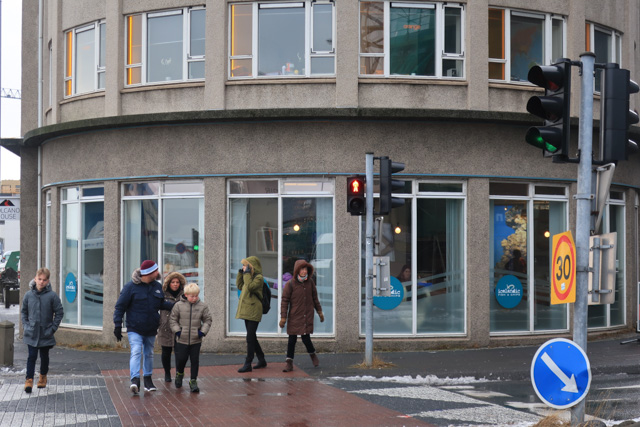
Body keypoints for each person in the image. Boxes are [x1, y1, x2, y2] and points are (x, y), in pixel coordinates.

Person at [113, 260, 174, 394]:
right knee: (136, 351)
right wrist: (117, 325)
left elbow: (161, 304)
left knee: (149, 354)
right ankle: (135, 380)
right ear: (149, 272)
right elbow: (120, 307)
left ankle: (148, 380)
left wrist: (175, 305)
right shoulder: (130, 287)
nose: (158, 272)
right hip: (135, 327)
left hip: (151, 327)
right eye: (155, 270)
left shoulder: (157, 286)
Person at [20, 268, 64, 393]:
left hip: (46, 333)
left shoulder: (52, 296)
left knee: (44, 357)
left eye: (44, 280)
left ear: (48, 281)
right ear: (35, 279)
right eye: (39, 279)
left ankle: (43, 376)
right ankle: (29, 380)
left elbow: (59, 312)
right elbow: (24, 312)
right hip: (31, 332)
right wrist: (26, 325)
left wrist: (53, 328)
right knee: (32, 356)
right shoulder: (28, 295)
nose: (41, 282)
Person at [279, 260, 324, 372]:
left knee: (306, 339)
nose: (304, 271)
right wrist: (283, 317)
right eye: (302, 269)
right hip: (294, 316)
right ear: (297, 270)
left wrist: (319, 312)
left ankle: (313, 355)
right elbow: (284, 301)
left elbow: (315, 298)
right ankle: (289, 363)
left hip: (306, 316)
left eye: (306, 269)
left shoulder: (310, 283)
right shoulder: (290, 284)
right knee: (292, 340)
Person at [169, 283, 212, 392]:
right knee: (181, 359)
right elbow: (173, 320)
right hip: (182, 339)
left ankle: (193, 381)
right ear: (186, 295)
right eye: (192, 296)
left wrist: (202, 332)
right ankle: (179, 373)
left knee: (194, 361)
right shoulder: (178, 305)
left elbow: (207, 320)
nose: (194, 298)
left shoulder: (202, 306)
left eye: (196, 296)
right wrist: (178, 331)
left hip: (196, 339)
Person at [235, 256, 266, 373]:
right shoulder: (248, 276)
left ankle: (248, 363)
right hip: (247, 309)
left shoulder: (259, 278)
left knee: (250, 337)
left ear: (251, 266)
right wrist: (241, 274)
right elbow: (240, 286)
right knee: (252, 336)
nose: (244, 267)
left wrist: (247, 274)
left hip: (254, 310)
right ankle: (262, 359)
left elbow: (250, 287)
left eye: (245, 265)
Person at [157, 271, 186, 383]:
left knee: (180, 353)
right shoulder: (162, 294)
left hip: (179, 327)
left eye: (177, 282)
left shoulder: (184, 295)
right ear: (168, 283)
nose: (175, 284)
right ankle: (167, 373)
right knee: (166, 352)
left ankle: (179, 373)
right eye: (173, 282)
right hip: (165, 327)